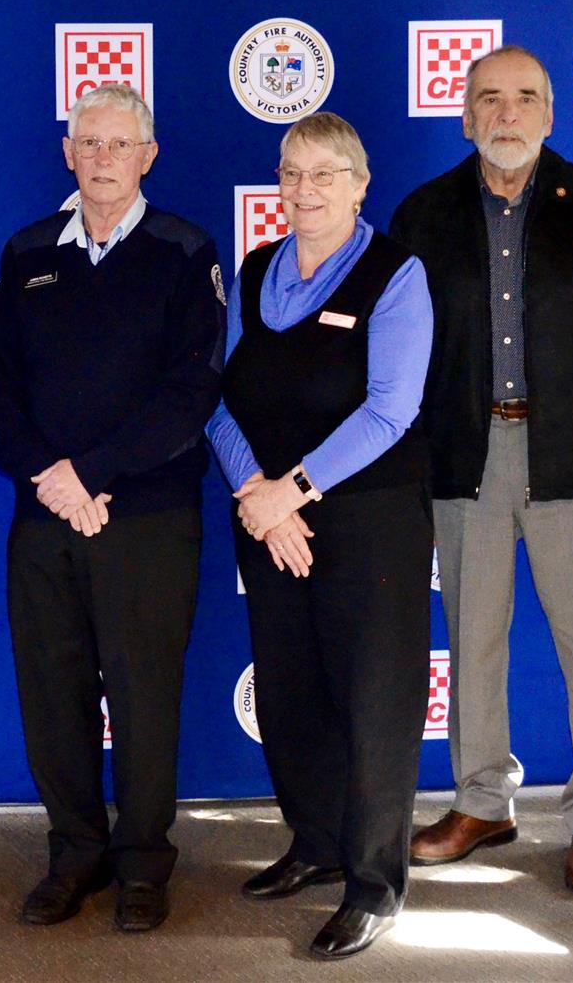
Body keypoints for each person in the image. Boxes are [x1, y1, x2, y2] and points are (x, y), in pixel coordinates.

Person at [390, 45, 573, 890]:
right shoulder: (423, 213)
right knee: (474, 640)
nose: (508, 113)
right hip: (464, 457)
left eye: (526, 98)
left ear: (549, 114)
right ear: (465, 116)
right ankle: (482, 802)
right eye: (490, 99)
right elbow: (399, 356)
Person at [0, 83, 224, 932]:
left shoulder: (186, 250)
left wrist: (94, 473)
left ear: (148, 156)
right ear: (68, 152)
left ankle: (144, 862)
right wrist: (51, 472)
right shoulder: (27, 250)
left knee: (145, 695)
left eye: (122, 145)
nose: (105, 159)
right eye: (91, 143)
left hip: (147, 516)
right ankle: (75, 852)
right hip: (45, 516)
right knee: (53, 693)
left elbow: (192, 390)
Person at [206, 113, 433, 959]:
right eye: (292, 173)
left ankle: (375, 883)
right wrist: (256, 496)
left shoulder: (395, 273)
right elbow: (215, 396)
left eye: (325, 174)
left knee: (374, 702)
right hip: (269, 520)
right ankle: (314, 843)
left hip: (370, 522)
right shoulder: (258, 267)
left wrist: (293, 489)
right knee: (292, 690)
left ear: (359, 183)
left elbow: (390, 409)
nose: (304, 190)